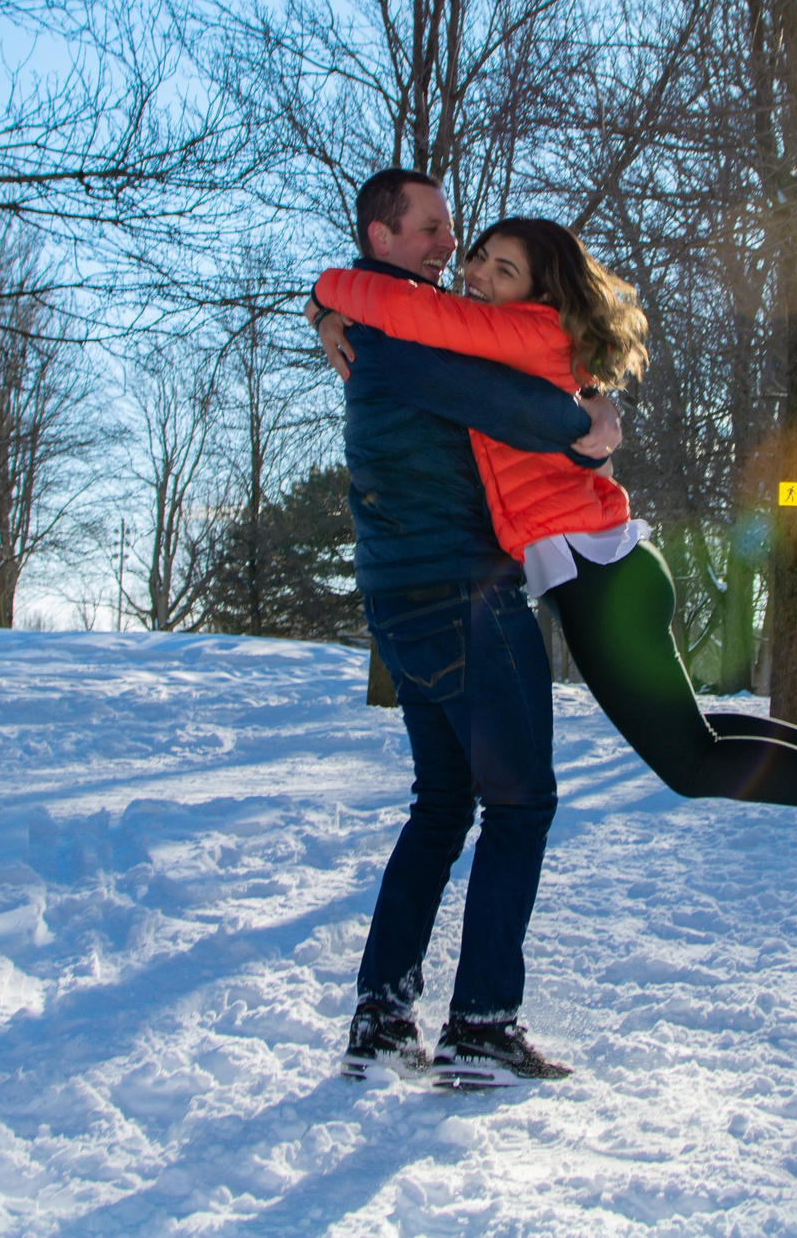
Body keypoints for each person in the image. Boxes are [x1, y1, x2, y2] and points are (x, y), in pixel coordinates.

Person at [311, 217, 797, 909]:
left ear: (541, 292)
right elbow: (424, 323)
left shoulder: (527, 330)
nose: (480, 275)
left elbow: (412, 311)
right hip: (606, 569)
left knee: (688, 760)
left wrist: (327, 291)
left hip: (596, 579)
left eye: (506, 270)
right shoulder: (508, 337)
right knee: (694, 731)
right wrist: (325, 314)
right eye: (481, 259)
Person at [318, 172, 622, 1089]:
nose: (448, 245)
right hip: (461, 591)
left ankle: (382, 1017)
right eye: (432, 229)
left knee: (444, 804)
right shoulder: (398, 330)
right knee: (520, 803)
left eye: (453, 230)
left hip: (401, 598)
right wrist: (587, 426)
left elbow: (360, 302)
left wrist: (320, 305)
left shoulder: (385, 318)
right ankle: (482, 1026)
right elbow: (500, 400)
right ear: (381, 234)